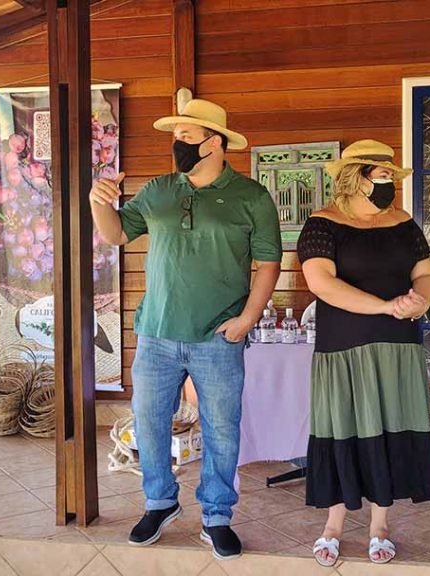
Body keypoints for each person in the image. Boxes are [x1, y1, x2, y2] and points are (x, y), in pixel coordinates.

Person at [89, 98, 282, 560]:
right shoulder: (158, 190)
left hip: (218, 337)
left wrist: (247, 320)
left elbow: (269, 263)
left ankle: (216, 516)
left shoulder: (252, 197)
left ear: (213, 143)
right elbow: (117, 234)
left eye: (186, 137)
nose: (177, 145)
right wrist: (99, 203)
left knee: (222, 431)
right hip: (157, 333)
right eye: (175, 137)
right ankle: (160, 503)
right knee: (149, 424)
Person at [297, 139, 430, 566]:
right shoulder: (323, 224)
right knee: (342, 429)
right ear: (354, 178)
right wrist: (385, 306)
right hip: (344, 348)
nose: (388, 184)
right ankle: (333, 527)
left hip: (397, 349)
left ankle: (380, 526)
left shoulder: (404, 222)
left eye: (391, 176)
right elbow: (321, 283)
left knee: (389, 430)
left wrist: (420, 301)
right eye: (381, 176)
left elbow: (425, 273)